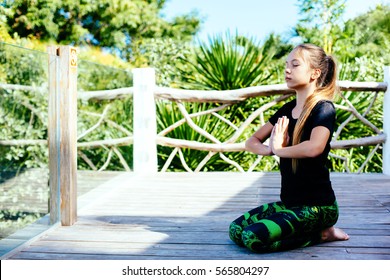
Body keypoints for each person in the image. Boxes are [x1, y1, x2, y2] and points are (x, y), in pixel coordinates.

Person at [229, 43, 349, 253]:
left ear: (315, 73)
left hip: (319, 207)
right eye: (286, 64)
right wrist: (269, 149)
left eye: (295, 65)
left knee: (251, 237)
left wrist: (279, 149)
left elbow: (314, 147)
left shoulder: (324, 108)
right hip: (290, 204)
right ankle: (313, 230)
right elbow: (251, 142)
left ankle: (323, 233)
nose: (287, 69)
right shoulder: (286, 110)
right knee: (236, 230)